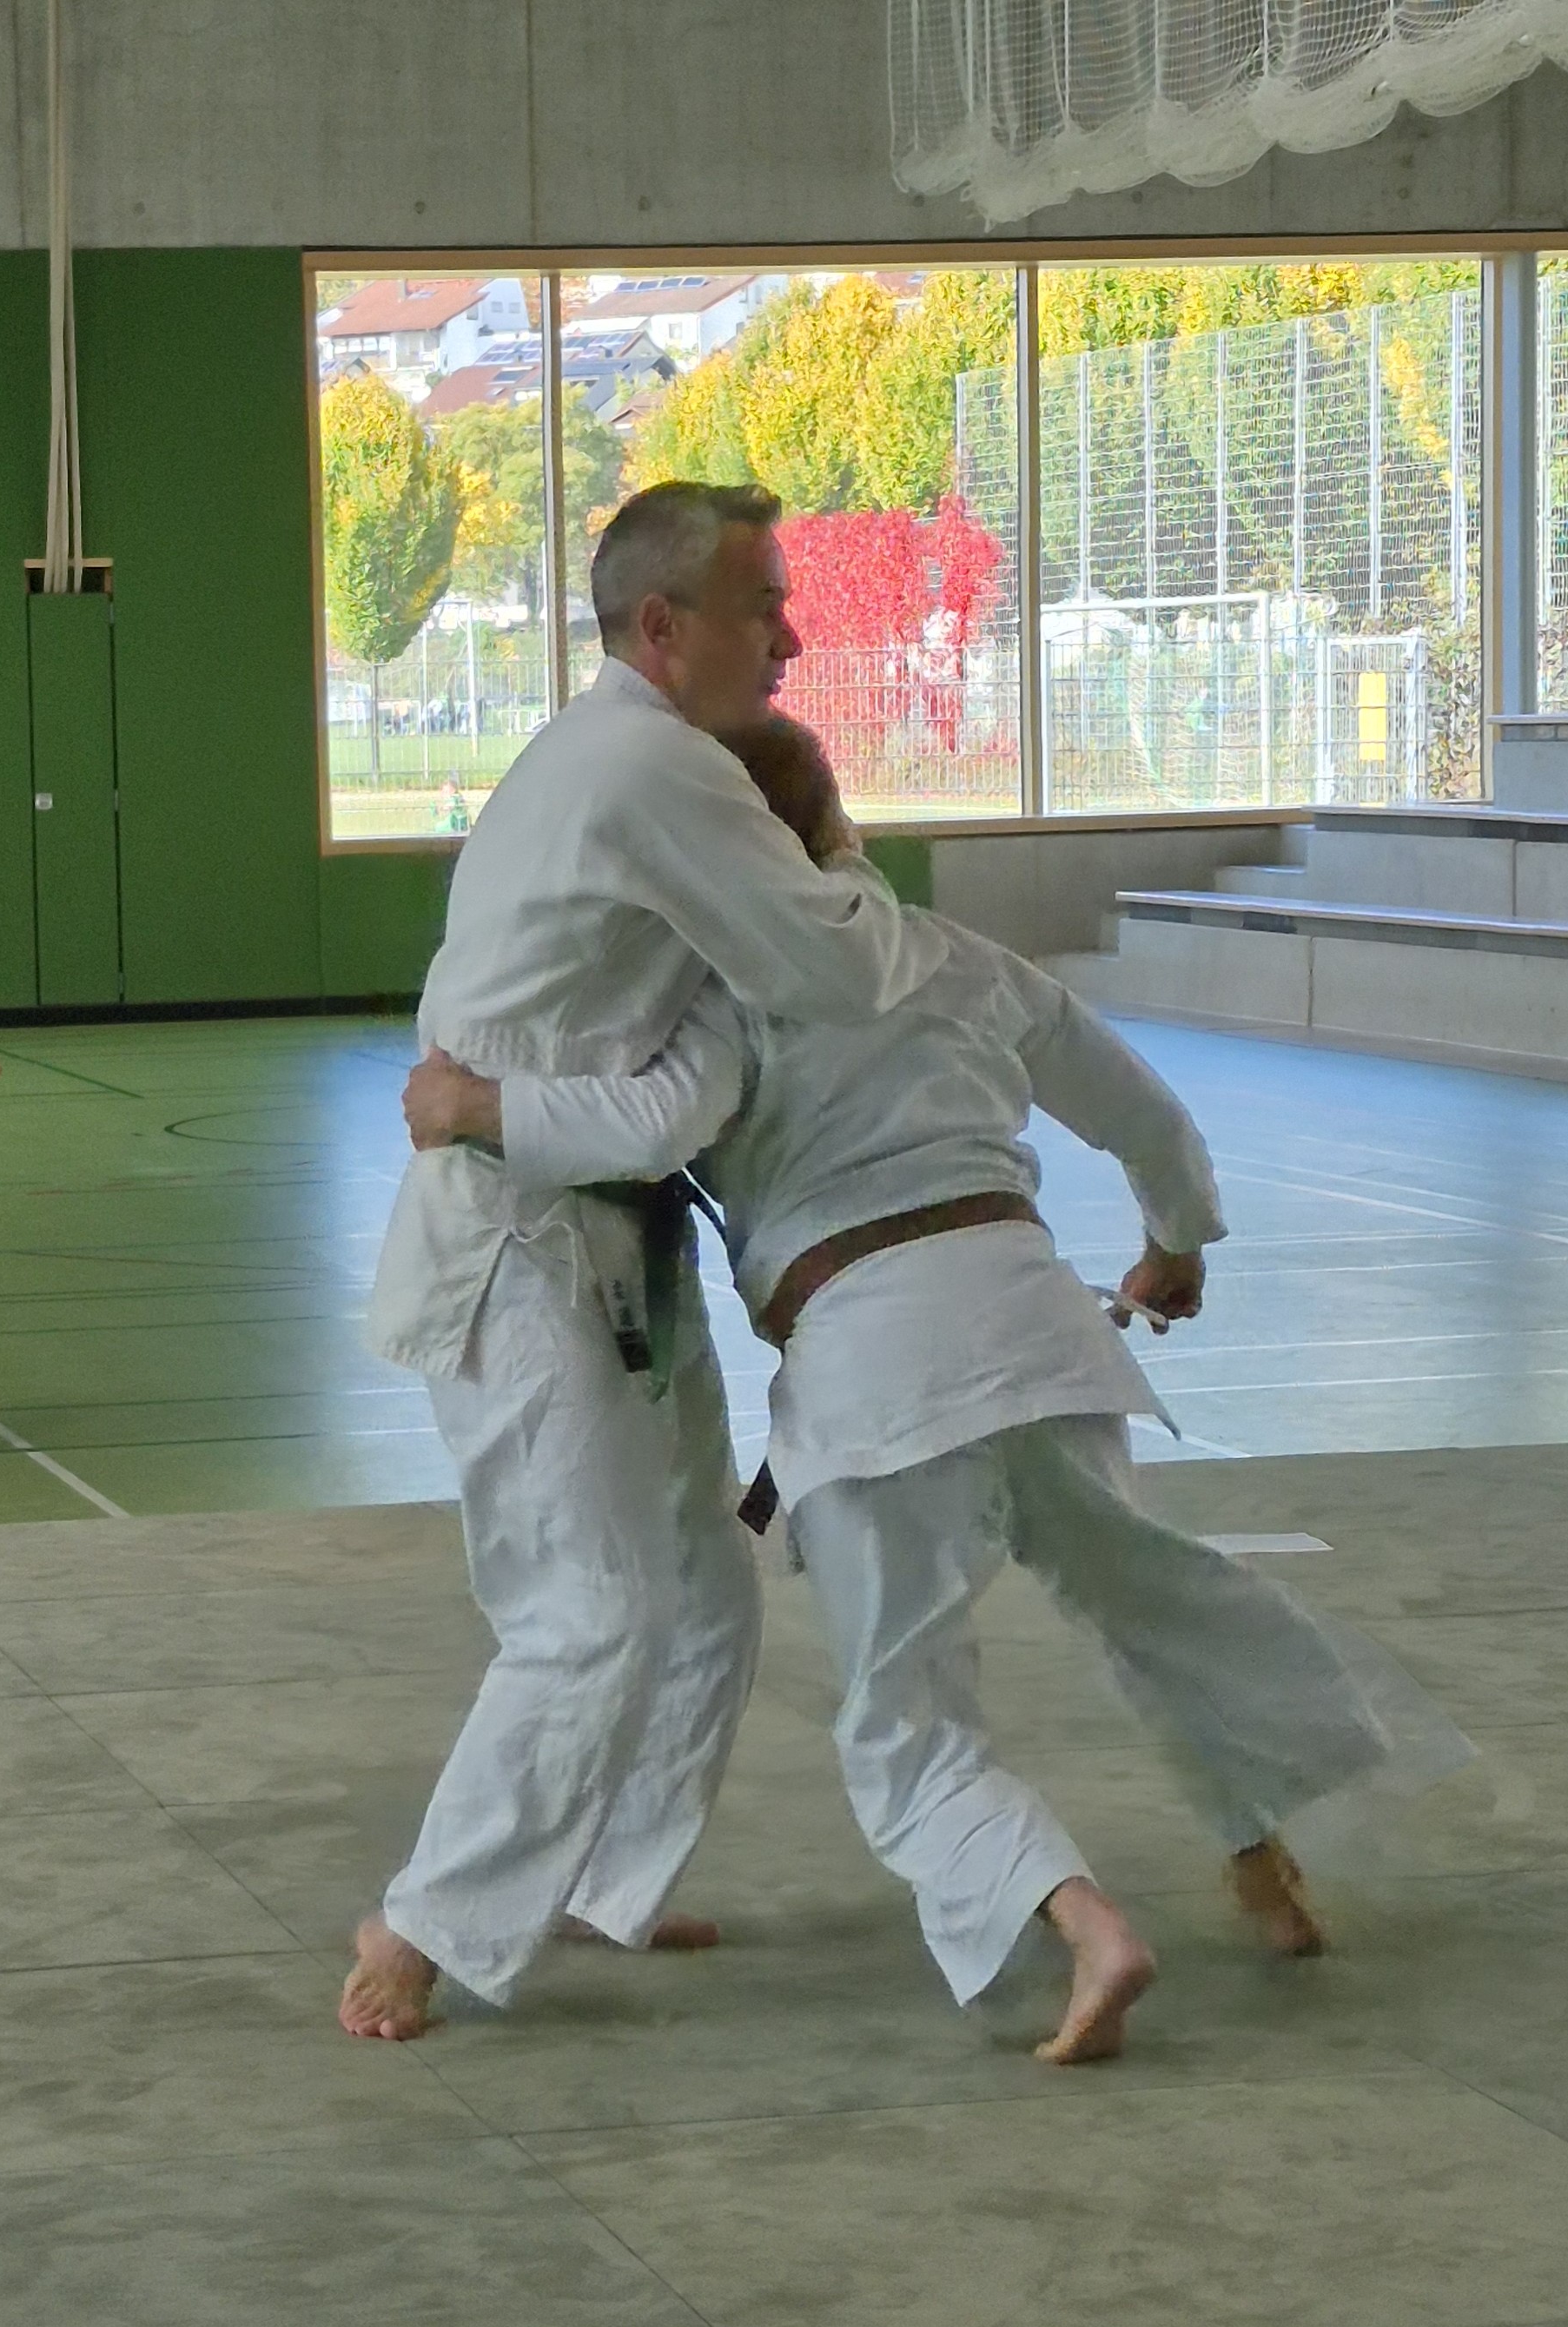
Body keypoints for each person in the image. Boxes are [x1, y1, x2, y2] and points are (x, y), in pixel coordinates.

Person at [401, 717, 1424, 2064]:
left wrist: (481, 1111)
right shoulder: (961, 960)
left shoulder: (721, 1002)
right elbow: (1145, 1117)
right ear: (844, 830)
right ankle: (1260, 1863)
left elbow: (643, 1129)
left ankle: (1085, 1925)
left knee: (905, 1720)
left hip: (878, 1375)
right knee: (1150, 1599)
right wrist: (1174, 1243)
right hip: (1040, 1331)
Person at [341, 484, 948, 2040]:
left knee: (703, 1589)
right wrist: (843, 856)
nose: (791, 639)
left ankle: (608, 1876)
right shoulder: (647, 763)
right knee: (594, 1610)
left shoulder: (620, 765)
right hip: (517, 1249)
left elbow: (681, 1086)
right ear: (663, 629)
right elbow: (842, 965)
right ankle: (423, 1920)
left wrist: (491, 1101)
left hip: (609, 1236)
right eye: (764, 607)